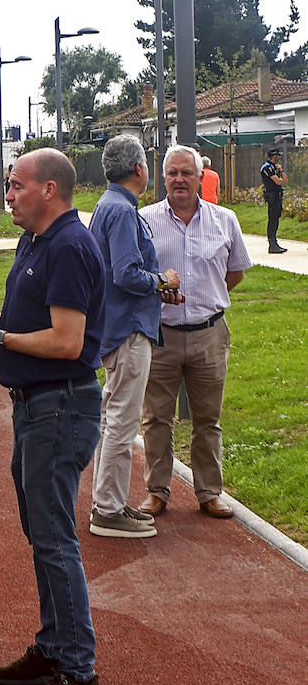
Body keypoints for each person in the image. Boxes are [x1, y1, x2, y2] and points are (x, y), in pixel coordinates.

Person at [0, 149, 106, 685]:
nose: (8, 194)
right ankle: (53, 648)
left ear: (49, 189)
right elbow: (39, 323)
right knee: (41, 531)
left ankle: (79, 676)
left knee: (54, 539)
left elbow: (69, 343)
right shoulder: (35, 242)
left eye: (16, 185)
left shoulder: (71, 245)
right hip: (36, 408)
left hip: (59, 406)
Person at [141, 145, 252, 520]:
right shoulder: (145, 221)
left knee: (208, 419)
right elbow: (136, 276)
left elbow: (235, 271)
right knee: (156, 417)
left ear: (200, 177)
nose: (179, 180)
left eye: (186, 173)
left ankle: (209, 492)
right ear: (163, 177)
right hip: (161, 335)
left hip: (209, 333)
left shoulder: (225, 220)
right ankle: (157, 491)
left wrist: (209, 296)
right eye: (172, 173)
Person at [88, 136, 181, 540]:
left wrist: (156, 287)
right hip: (128, 329)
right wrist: (162, 280)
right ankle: (107, 510)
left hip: (117, 326)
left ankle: (106, 501)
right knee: (122, 422)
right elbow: (125, 273)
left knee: (113, 420)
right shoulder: (122, 211)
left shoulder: (108, 206)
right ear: (140, 169)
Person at [261, 147, 287, 253]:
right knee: (272, 220)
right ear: (273, 156)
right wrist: (279, 178)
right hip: (272, 196)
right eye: (278, 155)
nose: (279, 157)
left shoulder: (275, 167)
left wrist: (281, 171)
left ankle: (275, 242)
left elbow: (285, 180)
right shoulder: (267, 167)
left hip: (278, 195)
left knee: (276, 219)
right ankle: (272, 244)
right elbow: (278, 182)